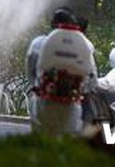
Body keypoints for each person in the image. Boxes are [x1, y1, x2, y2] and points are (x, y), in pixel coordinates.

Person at [26, 7, 97, 135]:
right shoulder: (84, 45)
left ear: (52, 24)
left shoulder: (38, 44)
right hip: (71, 106)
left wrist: (36, 86)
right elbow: (92, 81)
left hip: (42, 103)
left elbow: (30, 72)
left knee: (41, 139)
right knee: (67, 141)